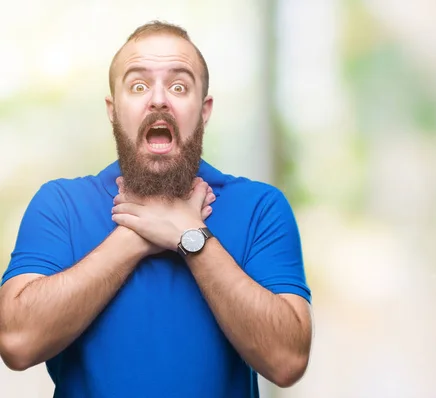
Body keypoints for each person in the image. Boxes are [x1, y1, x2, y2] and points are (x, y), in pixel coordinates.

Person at [0, 21, 313, 397]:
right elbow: (16, 343)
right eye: (138, 86)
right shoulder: (61, 205)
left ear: (204, 109)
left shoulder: (261, 207)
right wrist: (134, 236)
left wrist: (191, 237)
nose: (159, 99)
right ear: (113, 110)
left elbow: (288, 361)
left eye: (179, 86)